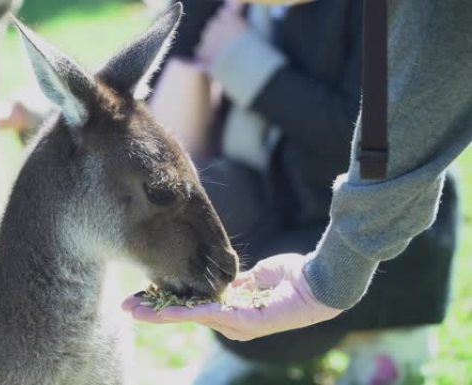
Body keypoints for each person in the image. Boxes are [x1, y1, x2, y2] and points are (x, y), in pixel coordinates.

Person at [123, 0, 471, 383]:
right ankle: (254, 345)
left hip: (375, 230)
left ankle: (391, 334)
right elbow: (178, 157)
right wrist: (192, 38)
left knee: (296, 304)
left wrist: (244, 63)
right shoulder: (231, 10)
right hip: (287, 212)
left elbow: (371, 143)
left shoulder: (379, 11)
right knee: (201, 210)